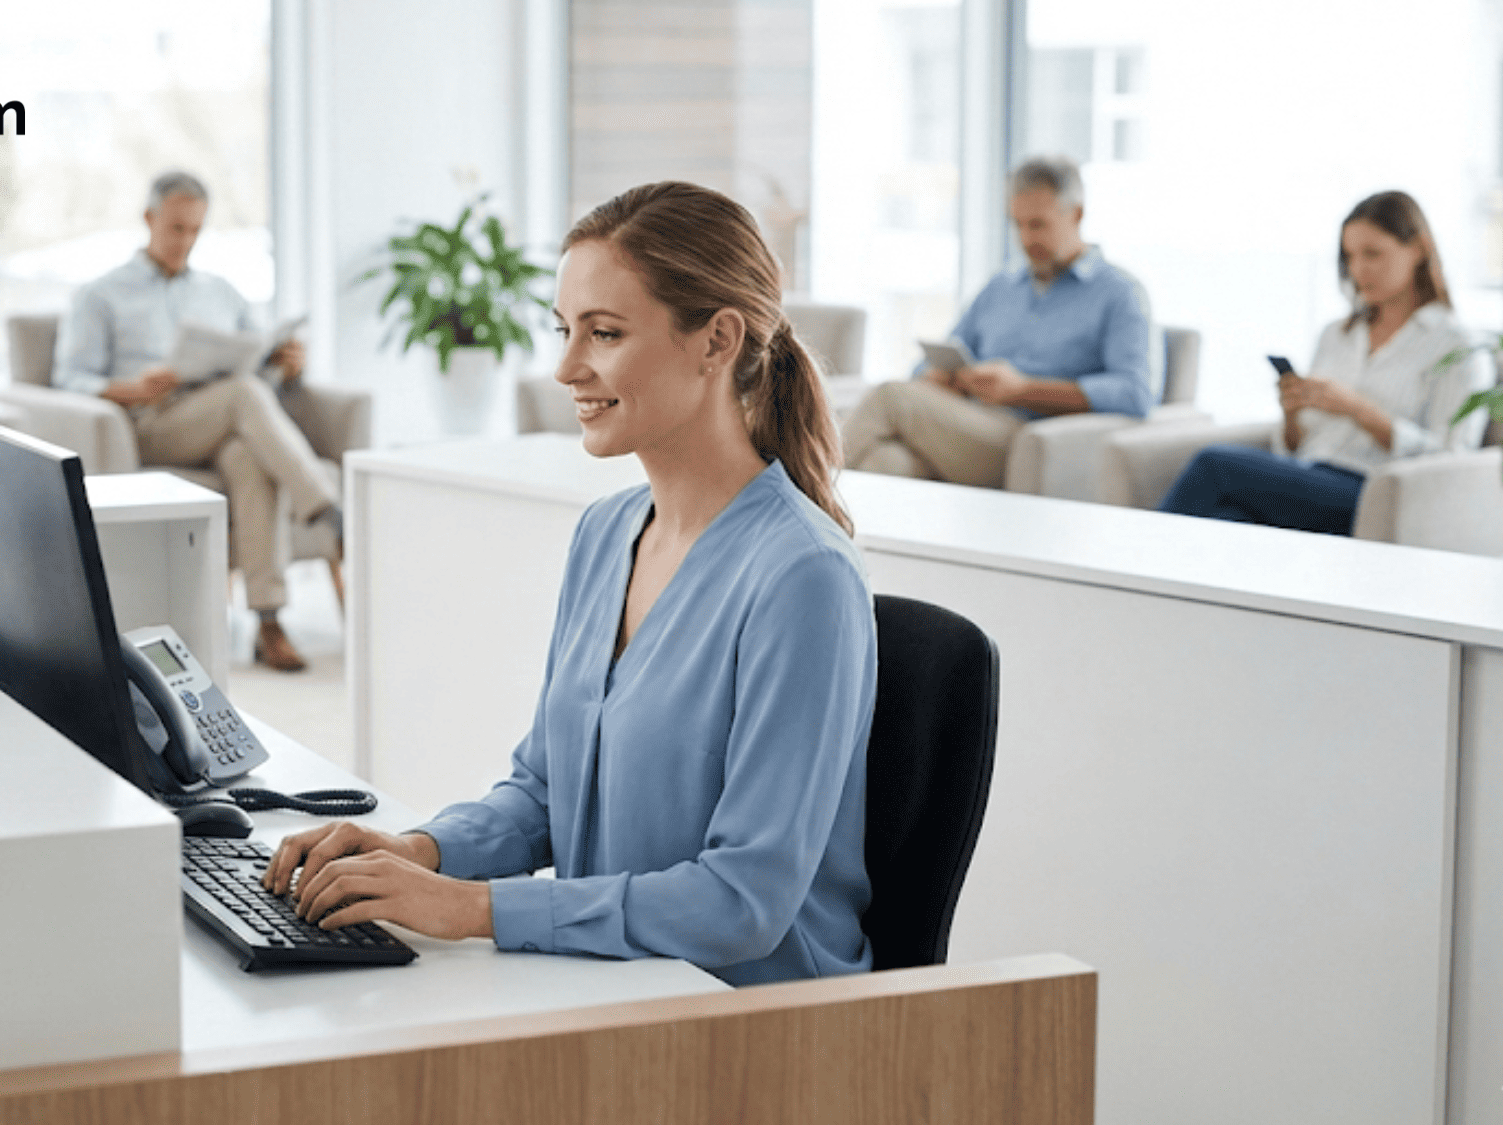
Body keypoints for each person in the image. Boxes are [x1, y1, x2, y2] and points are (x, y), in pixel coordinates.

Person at [261, 182, 878, 986]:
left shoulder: (805, 578)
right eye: (564, 330)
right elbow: (546, 791)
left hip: (748, 1021)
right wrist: (417, 852)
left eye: (606, 333)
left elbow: (743, 901)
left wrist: (472, 908)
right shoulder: (606, 534)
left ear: (717, 340)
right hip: (612, 984)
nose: (566, 367)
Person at [54, 170, 340, 672]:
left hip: (223, 419)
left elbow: (257, 365)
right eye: (176, 229)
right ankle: (327, 508)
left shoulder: (221, 292)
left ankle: (268, 621)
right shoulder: (101, 294)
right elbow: (69, 378)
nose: (185, 242)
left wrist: (286, 362)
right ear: (149, 219)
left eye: (195, 231)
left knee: (248, 455)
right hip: (150, 424)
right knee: (244, 398)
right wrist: (134, 388)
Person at [1159, 191, 1486, 533]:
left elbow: (1453, 460)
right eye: (1350, 256)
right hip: (1306, 478)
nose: (1359, 270)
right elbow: (1294, 447)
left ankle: (1129, 561)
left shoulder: (1459, 346)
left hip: (1371, 491)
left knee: (1214, 464)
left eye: (1373, 254)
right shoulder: (1337, 334)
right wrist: (1291, 414)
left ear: (1418, 249)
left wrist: (1361, 411)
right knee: (1226, 523)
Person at [841, 155, 1153, 486]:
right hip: (962, 425)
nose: (1026, 239)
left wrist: (1022, 390)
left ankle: (792, 489)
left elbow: (1134, 392)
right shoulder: (1002, 287)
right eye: (1017, 224)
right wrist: (938, 377)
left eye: (1037, 224)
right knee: (885, 464)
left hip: (1027, 438)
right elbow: (941, 355)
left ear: (1076, 214)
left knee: (890, 396)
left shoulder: (1119, 293)